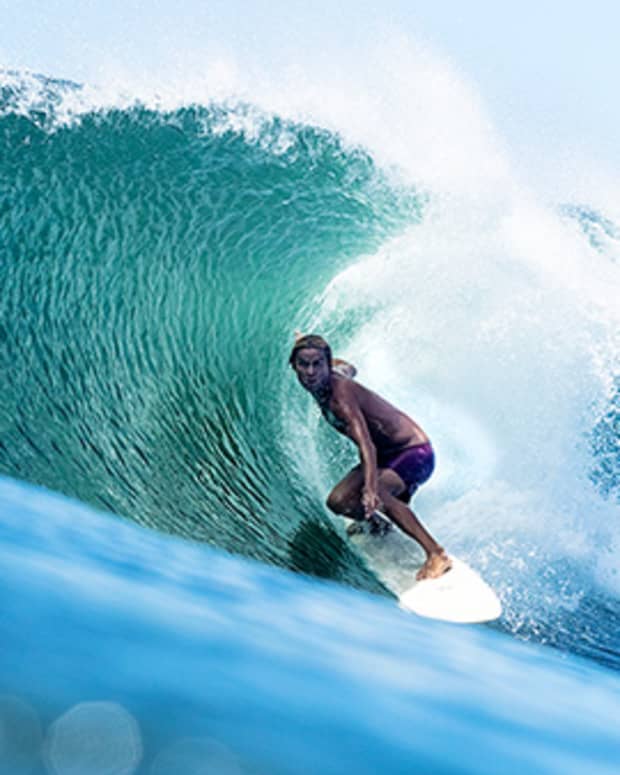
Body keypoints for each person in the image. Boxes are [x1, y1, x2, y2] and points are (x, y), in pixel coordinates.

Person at [289, 333, 451, 580]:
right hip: (389, 455)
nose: (310, 371)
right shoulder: (332, 374)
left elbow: (366, 443)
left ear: (326, 363)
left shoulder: (340, 398)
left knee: (379, 494)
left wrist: (372, 490)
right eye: (304, 364)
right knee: (339, 502)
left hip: (414, 454)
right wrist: (307, 344)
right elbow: (348, 367)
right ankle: (378, 524)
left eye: (317, 364)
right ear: (294, 365)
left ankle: (436, 553)